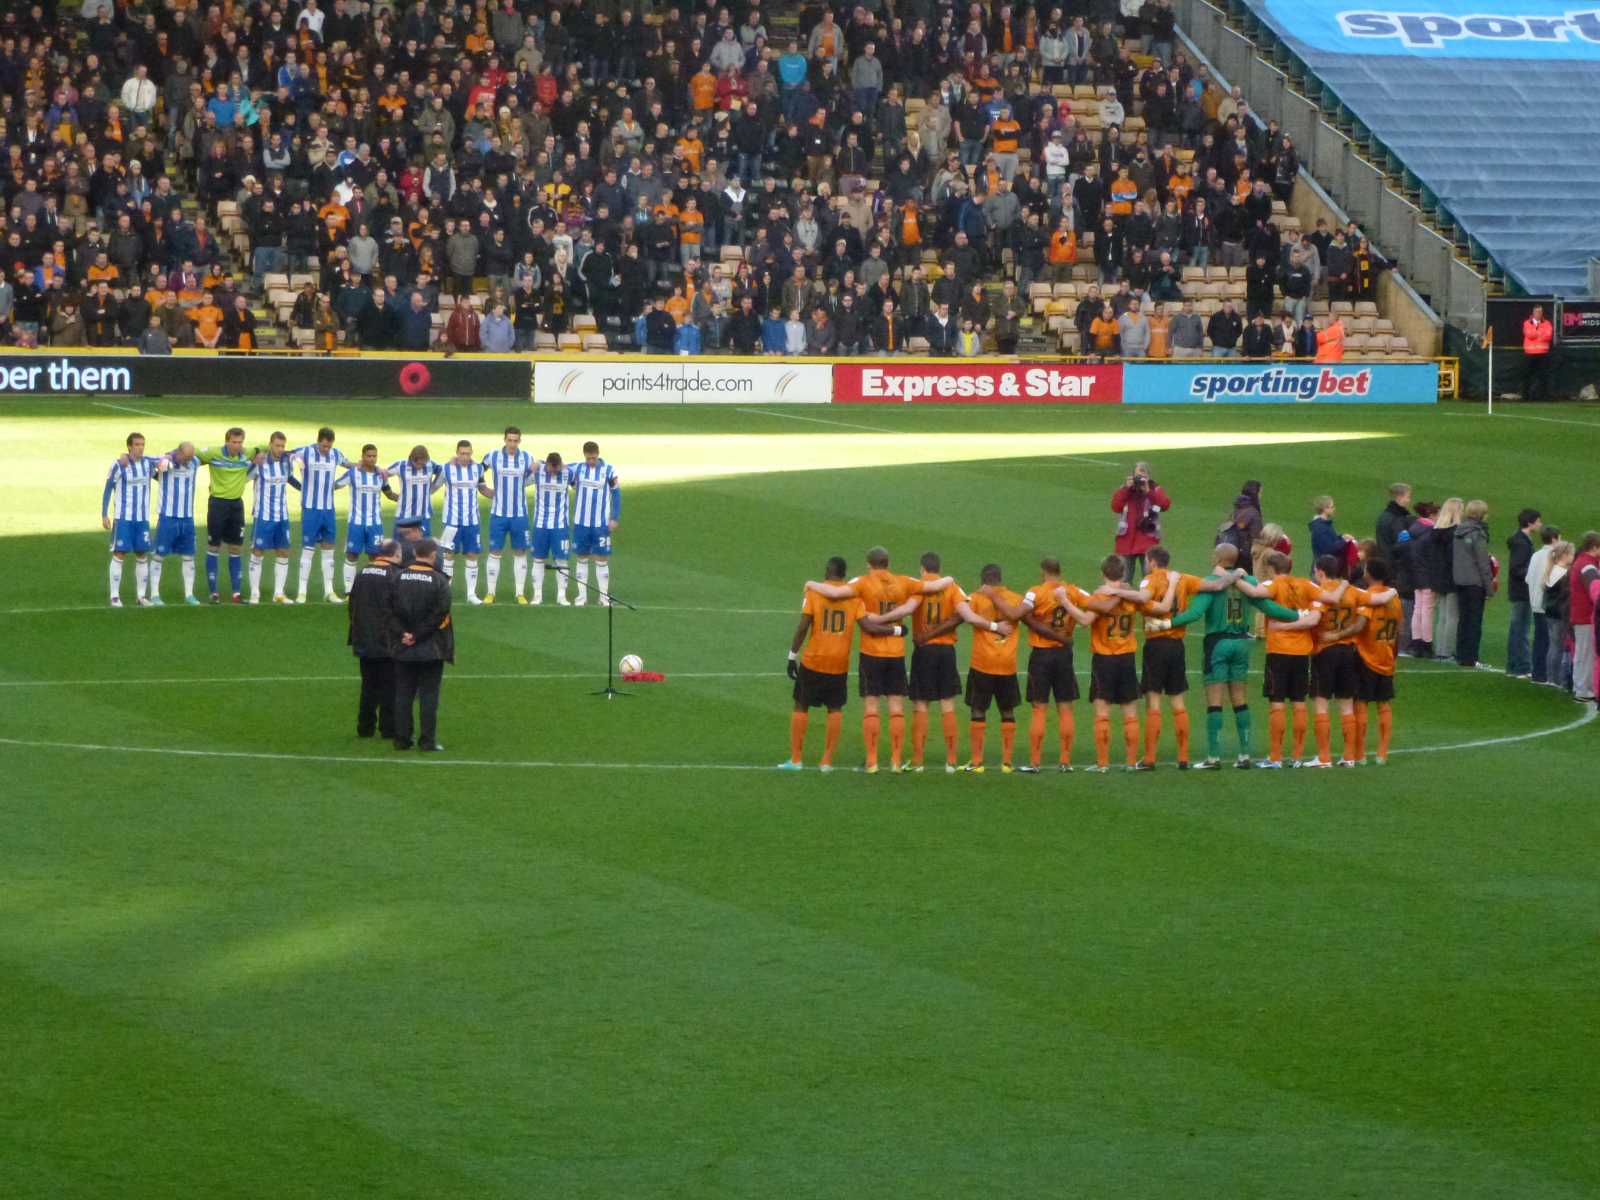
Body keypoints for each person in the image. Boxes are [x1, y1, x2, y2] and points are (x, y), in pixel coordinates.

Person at [1154, 543, 1307, 769]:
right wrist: (1297, 614)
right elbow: (1270, 609)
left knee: (1215, 702)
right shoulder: (1249, 584)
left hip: (1218, 644)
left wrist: (1167, 623)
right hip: (1241, 644)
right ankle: (1244, 755)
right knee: (1240, 700)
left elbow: (1195, 613)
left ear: (1217, 558)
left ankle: (1213, 758)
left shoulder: (1213, 583)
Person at [804, 549, 953, 773]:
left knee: (871, 707)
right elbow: (935, 586)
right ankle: (895, 761)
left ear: (868, 564)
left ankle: (872, 762)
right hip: (896, 654)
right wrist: (950, 578)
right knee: (896, 708)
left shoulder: (862, 582)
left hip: (871, 652)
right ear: (887, 563)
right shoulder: (904, 581)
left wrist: (811, 584)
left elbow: (835, 593)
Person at [1134, 546, 1241, 769]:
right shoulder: (1183, 579)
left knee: (1153, 701)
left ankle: (1150, 758)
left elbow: (1142, 601)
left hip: (1156, 645)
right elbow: (1217, 584)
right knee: (1177, 701)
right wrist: (1237, 574)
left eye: (1146, 560)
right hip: (1177, 646)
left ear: (1152, 562)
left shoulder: (1148, 581)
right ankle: (1183, 757)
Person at [1308, 554, 1395, 766]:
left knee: (1321, 704)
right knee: (1347, 705)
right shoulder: (1354, 591)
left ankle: (1324, 758)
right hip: (1348, 653)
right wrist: (1393, 589)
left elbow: (1315, 619)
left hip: (1325, 651)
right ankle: (1349, 757)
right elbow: (1379, 599)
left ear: (1320, 571)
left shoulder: (1319, 592)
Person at [779, 557, 863, 772]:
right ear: (844, 574)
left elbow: (802, 627)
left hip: (814, 660)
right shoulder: (854, 596)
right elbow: (867, 623)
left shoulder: (814, 592)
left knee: (801, 704)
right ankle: (826, 761)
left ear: (828, 570)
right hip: (839, 663)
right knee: (835, 708)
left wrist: (791, 656)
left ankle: (796, 759)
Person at [1019, 559, 1102, 773]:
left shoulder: (1035, 592)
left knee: (1039, 708)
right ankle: (1065, 761)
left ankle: (1035, 762)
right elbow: (1097, 604)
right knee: (1065, 708)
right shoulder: (1074, 591)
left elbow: (1022, 613)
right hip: (1064, 655)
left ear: (1043, 572)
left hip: (1041, 655)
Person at [905, 554, 970, 773]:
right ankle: (951, 761)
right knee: (947, 704)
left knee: (921, 704)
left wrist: (927, 634)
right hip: (946, 651)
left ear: (922, 569)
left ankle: (917, 761)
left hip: (924, 651)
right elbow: (962, 615)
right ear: (939, 569)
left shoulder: (918, 588)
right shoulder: (953, 588)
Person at [389, 538, 454, 752]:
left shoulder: (397, 577)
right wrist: (417, 635)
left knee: (403, 694)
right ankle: (427, 741)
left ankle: (401, 739)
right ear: (433, 555)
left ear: (415, 553)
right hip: (431, 647)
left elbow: (388, 611)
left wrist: (404, 634)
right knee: (428, 695)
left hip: (403, 646)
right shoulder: (439, 580)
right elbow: (440, 614)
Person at [961, 564, 1026, 773]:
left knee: (978, 709)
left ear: (983, 580)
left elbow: (963, 616)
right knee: (1007, 710)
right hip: (1007, 664)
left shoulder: (976, 598)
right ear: (1000, 578)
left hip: (982, 663)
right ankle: (1007, 763)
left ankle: (977, 762)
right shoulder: (1015, 598)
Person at [1085, 556, 1143, 773]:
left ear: (1103, 573)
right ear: (1123, 573)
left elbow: (1086, 620)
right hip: (1126, 657)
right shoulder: (1131, 596)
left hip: (1103, 658)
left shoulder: (1100, 596)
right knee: (1130, 711)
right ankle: (1130, 763)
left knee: (1102, 711)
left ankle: (1102, 763)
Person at [347, 539, 400, 741]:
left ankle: (365, 727)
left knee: (368, 685)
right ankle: (388, 728)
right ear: (394, 554)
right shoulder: (394, 575)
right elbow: (398, 609)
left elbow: (352, 605)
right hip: (387, 640)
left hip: (363, 639)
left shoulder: (362, 573)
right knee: (389, 686)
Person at [1352, 559, 1403, 765]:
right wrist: (1394, 653)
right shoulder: (1395, 599)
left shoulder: (1369, 597)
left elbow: (1361, 625)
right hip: (1387, 655)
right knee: (1384, 704)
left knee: (1361, 703)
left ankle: (1361, 753)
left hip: (1367, 655)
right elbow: (1399, 628)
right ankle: (1382, 753)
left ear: (1369, 574)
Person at [291, 426, 349, 604]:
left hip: (328, 509)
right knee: (308, 549)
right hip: (310, 509)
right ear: (318, 441)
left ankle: (329, 591)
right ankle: (302, 592)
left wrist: (369, 467)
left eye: (329, 447)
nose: (326, 450)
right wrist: (297, 465)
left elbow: (350, 465)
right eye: (324, 446)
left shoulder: (336, 454)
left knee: (329, 550)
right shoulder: (305, 451)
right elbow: (288, 456)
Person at [479, 426, 534, 604]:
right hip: (499, 514)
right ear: (504, 440)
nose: (512, 444)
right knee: (495, 551)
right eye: (509, 440)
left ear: (520, 441)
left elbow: (537, 473)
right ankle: (490, 593)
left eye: (515, 440)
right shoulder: (493, 456)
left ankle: (520, 593)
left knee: (520, 552)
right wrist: (484, 489)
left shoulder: (527, 458)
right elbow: (477, 470)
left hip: (519, 514)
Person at [102, 433, 158, 608]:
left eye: (142, 444)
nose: (140, 447)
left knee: (142, 554)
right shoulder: (119, 465)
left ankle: (141, 596)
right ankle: (114, 596)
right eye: (136, 444)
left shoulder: (148, 464)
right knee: (120, 554)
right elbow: (108, 488)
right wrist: (104, 514)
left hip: (142, 519)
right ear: (129, 446)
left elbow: (168, 458)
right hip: (123, 518)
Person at [149, 443, 203, 605]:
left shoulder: (195, 462)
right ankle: (154, 594)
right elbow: (152, 465)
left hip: (187, 518)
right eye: (185, 458)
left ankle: (189, 594)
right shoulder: (166, 463)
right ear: (178, 453)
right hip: (168, 517)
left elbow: (207, 454)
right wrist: (168, 455)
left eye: (189, 458)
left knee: (189, 556)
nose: (187, 461)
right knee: (159, 555)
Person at [246, 432, 296, 604]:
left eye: (283, 446)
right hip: (263, 516)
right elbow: (242, 478)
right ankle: (254, 593)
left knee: (283, 552)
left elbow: (290, 478)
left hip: (282, 516)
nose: (280, 449)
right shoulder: (259, 464)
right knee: (258, 552)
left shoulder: (286, 463)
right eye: (277, 445)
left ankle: (279, 593)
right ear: (270, 444)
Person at [570, 441, 621, 607]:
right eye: (589, 458)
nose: (591, 461)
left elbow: (616, 494)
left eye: (594, 458)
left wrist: (614, 517)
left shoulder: (609, 470)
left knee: (602, 559)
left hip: (601, 524)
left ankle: (603, 597)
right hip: (581, 523)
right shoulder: (577, 468)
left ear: (598, 454)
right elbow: (559, 467)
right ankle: (581, 597)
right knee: (582, 558)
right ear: (584, 455)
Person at [335, 444, 390, 591]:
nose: (372, 459)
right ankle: (349, 589)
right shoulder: (353, 473)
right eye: (369, 456)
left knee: (376, 556)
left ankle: (375, 588)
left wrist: (404, 498)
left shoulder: (381, 476)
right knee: (352, 554)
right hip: (356, 522)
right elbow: (335, 485)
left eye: (374, 456)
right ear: (363, 456)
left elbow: (389, 494)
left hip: (375, 523)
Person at [439, 440, 486, 603]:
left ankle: (471, 594)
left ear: (471, 453)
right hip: (451, 521)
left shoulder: (478, 468)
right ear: (457, 453)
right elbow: (433, 486)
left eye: (468, 453)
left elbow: (483, 488)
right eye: (462, 453)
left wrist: (497, 494)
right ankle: (445, 593)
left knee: (472, 555)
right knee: (448, 555)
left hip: (472, 521)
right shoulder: (446, 468)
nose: (465, 456)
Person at [1451, 499, 1495, 669]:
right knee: (1474, 621)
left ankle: (1462, 654)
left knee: (1464, 619)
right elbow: (1483, 562)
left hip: (1460, 580)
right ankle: (1471, 657)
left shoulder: (1459, 531)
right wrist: (1489, 588)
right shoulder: (1478, 533)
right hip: (1475, 583)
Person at [1111, 461, 1171, 581]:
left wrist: (1148, 491)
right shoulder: (1125, 490)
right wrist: (1127, 489)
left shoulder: (1155, 489)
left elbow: (1164, 505)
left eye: (1143, 477)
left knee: (1149, 581)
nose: (1140, 481)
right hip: (1126, 541)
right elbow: (1115, 506)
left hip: (1147, 541)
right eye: (1138, 477)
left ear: (1149, 476)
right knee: (1123, 581)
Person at [529, 451, 575, 605]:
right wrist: (539, 461)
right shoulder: (538, 471)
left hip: (560, 525)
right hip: (540, 524)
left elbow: (580, 472)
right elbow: (521, 474)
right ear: (546, 464)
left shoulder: (568, 473)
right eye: (551, 469)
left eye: (557, 470)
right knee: (538, 559)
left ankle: (562, 596)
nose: (554, 472)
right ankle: (537, 595)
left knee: (561, 560)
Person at [1374, 483, 1414, 652]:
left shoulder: (1384, 516)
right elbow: (1400, 546)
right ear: (1399, 497)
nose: (1409, 499)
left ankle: (1385, 638)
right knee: (1399, 608)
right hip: (1397, 569)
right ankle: (1401, 643)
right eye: (1407, 496)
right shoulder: (1397, 519)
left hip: (1385, 565)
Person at [1504, 508, 1542, 677]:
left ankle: (1514, 665)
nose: (1540, 524)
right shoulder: (1522, 543)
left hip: (1520, 591)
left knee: (1517, 629)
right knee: (1521, 629)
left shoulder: (1522, 540)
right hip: (1522, 591)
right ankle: (1522, 666)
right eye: (1538, 521)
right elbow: (1517, 569)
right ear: (1530, 523)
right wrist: (1534, 574)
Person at [1567, 531, 1600, 702]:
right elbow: (1593, 591)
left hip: (1579, 615)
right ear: (1594, 547)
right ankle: (1584, 690)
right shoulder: (1588, 565)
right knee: (1586, 653)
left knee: (1582, 652)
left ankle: (1580, 687)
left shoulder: (1581, 562)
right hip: (1585, 616)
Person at [1526, 525, 1561, 684]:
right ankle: (1546, 674)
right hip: (1548, 604)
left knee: (1540, 639)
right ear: (1554, 538)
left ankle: (1538, 673)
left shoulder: (1535, 555)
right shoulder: (1554, 556)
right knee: (1550, 641)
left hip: (1535, 603)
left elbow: (1528, 579)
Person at [385, 445, 444, 537]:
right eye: (418, 464)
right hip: (403, 514)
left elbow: (442, 472)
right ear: (411, 459)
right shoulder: (401, 465)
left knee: (424, 548)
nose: (420, 466)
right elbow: (381, 474)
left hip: (423, 516)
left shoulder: (430, 465)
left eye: (423, 464)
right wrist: (388, 493)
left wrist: (433, 488)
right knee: (399, 547)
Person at [1521, 304, 1553, 402]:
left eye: (1540, 312)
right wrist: (1539, 333)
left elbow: (1548, 336)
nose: (1539, 314)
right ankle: (1526, 397)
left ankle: (1543, 396)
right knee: (1527, 375)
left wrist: (1537, 332)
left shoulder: (1547, 323)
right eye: (1537, 312)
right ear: (1533, 312)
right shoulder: (1527, 323)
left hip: (1543, 353)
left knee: (1543, 375)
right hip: (1530, 353)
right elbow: (1530, 334)